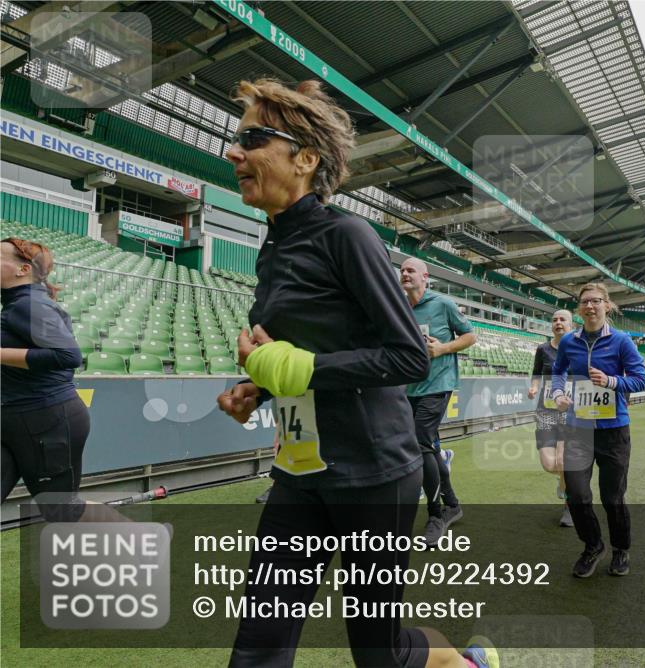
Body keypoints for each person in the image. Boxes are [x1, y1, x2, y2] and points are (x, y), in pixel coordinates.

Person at [217, 78, 497, 668]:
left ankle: (466, 664)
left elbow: (407, 357)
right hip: (300, 472)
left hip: (373, 475)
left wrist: (295, 367)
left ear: (306, 158)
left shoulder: (348, 235)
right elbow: (299, 360)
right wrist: (259, 387)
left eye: (252, 139)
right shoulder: (272, 248)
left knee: (381, 655)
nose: (233, 153)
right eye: (235, 139)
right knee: (257, 649)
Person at [550, 283, 645, 578]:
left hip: (614, 430)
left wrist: (611, 381)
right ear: (579, 309)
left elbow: (641, 379)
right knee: (576, 495)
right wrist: (557, 395)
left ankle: (620, 549)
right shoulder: (569, 342)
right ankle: (592, 546)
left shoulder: (621, 341)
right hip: (579, 428)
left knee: (612, 498)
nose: (590, 307)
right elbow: (558, 371)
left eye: (595, 301)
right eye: (584, 303)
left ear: (607, 305)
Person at [1, 237, 90, 522]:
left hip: (45, 422)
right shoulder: (19, 302)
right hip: (16, 420)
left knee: (62, 515)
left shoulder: (28, 305)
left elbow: (68, 356)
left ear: (22, 270)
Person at [400, 257, 476, 547]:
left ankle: (436, 515)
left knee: (420, 443)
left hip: (438, 385)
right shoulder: (399, 306)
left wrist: (443, 348)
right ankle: (453, 504)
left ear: (425, 276)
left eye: (411, 270)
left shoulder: (442, 304)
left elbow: (470, 336)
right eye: (402, 270)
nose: (405, 274)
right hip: (407, 389)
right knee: (427, 446)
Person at [527, 309, 574, 527]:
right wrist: (534, 387)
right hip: (546, 411)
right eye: (554, 320)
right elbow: (537, 373)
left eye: (562, 319)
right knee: (549, 464)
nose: (558, 323)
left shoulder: (579, 348)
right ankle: (565, 481)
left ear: (571, 325)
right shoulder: (543, 349)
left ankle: (569, 506)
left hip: (570, 412)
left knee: (564, 460)